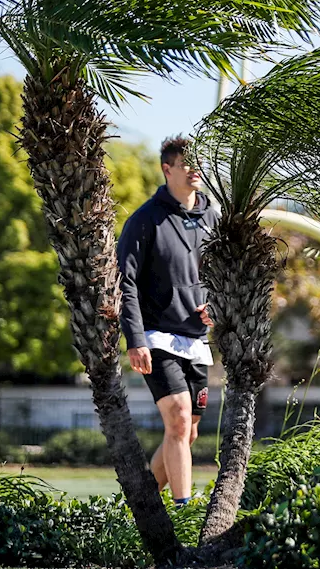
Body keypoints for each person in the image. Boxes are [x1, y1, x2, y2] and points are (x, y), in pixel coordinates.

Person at [118, 135, 219, 506]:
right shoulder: (145, 220)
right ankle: (184, 509)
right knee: (177, 420)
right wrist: (135, 339)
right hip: (156, 336)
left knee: (187, 434)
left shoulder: (213, 217)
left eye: (199, 164)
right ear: (167, 169)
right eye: (186, 164)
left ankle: (141, 506)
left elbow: (223, 274)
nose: (195, 170)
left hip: (196, 339)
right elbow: (124, 282)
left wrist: (217, 306)